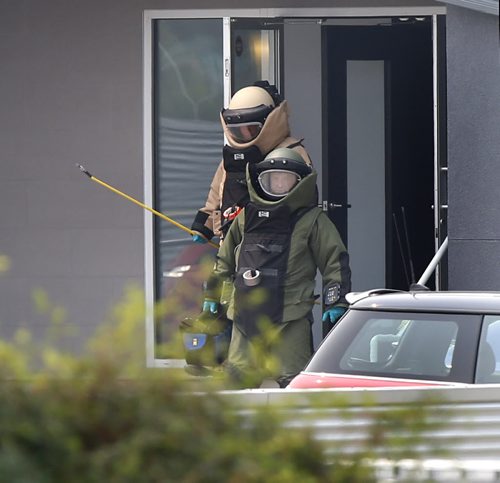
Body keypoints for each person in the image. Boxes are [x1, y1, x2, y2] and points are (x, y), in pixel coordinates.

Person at [201, 147, 351, 388]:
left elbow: (335, 260)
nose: (279, 184)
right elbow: (225, 259)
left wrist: (337, 299)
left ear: (299, 183)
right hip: (244, 315)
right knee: (236, 381)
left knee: (294, 384)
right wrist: (212, 293)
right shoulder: (245, 216)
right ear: (261, 181)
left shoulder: (312, 220)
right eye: (273, 179)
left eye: (286, 179)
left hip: (290, 318)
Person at [190, 80, 312, 246]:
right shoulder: (232, 159)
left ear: (269, 122)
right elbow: (216, 196)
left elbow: (304, 202)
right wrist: (203, 227)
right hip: (231, 249)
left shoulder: (291, 152)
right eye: (238, 130)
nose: (245, 134)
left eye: (251, 128)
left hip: (276, 249)